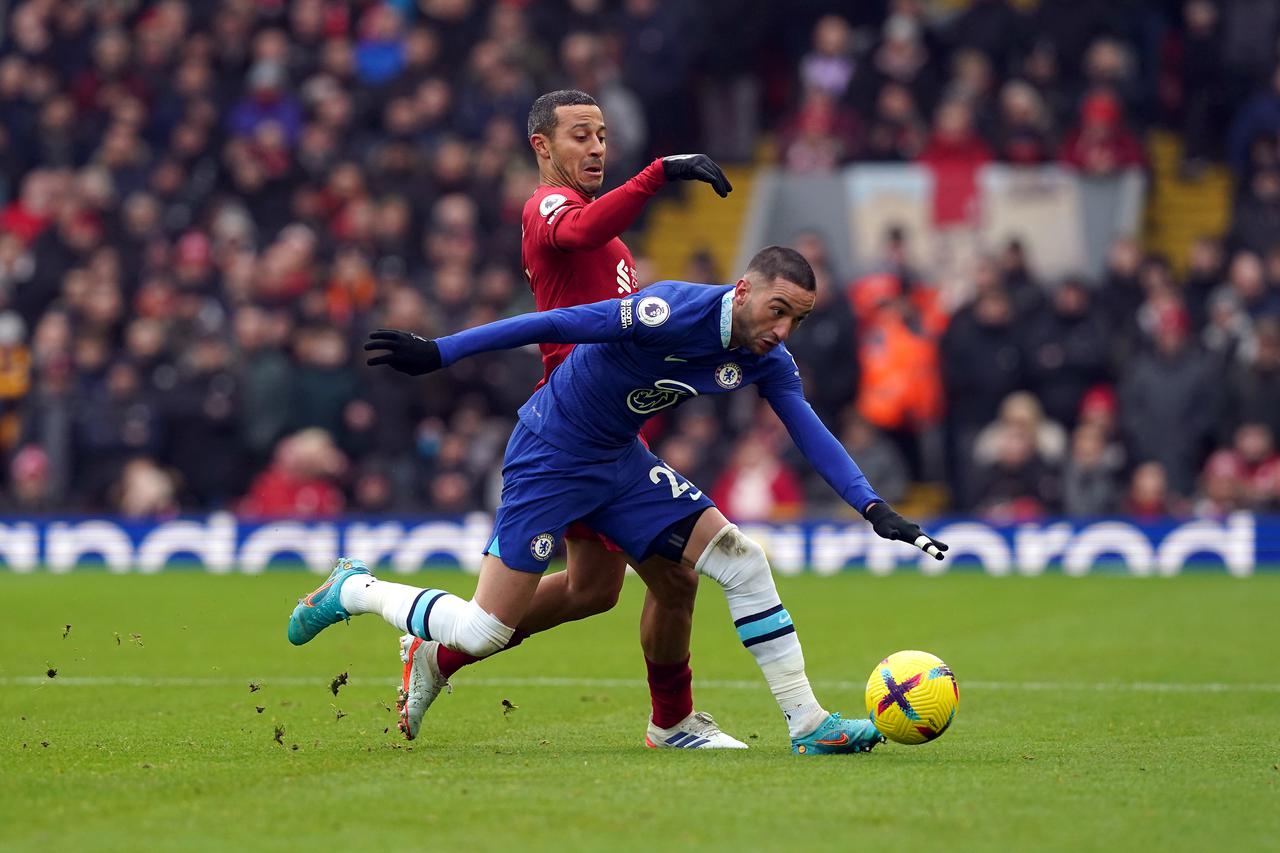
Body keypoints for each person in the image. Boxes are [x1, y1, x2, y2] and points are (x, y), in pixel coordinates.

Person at [291, 246, 948, 755]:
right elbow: (556, 321)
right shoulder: (671, 311)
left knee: (725, 564)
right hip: (551, 453)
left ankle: (788, 722)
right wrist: (442, 350)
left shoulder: (765, 358)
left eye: (797, 319)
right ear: (743, 289)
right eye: (777, 309)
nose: (783, 329)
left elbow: (809, 430)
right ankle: (357, 590)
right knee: (485, 626)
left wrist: (872, 507)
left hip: (620, 462)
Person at [398, 89, 739, 750]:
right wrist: (659, 172)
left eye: (603, 135)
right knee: (658, 578)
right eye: (580, 135)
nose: (597, 148)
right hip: (571, 430)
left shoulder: (606, 231)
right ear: (542, 147)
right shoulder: (548, 207)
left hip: (613, 425)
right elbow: (573, 235)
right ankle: (669, 720)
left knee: (596, 588)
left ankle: (441, 656)